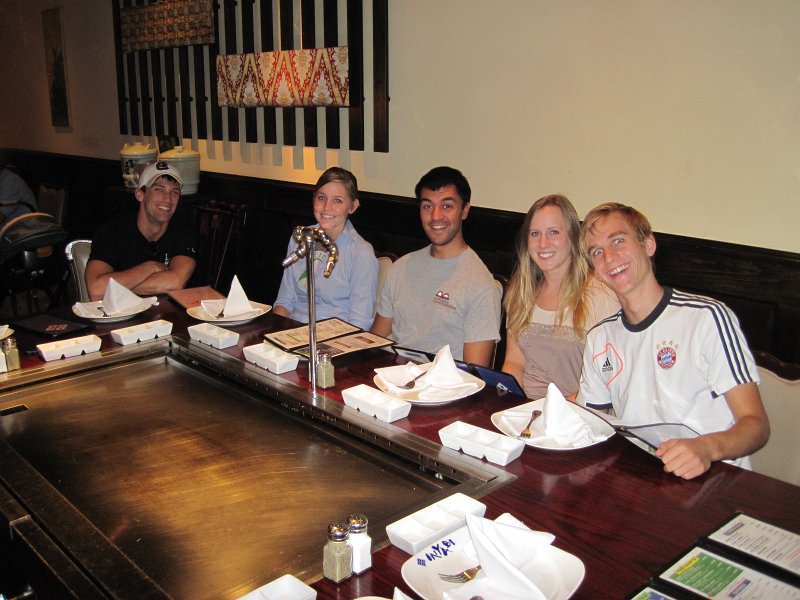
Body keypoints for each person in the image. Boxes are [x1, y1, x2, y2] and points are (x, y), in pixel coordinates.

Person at [577, 202, 769, 479]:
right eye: (597, 252)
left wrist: (706, 448)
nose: (609, 257)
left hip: (714, 477)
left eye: (618, 241)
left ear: (648, 244)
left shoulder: (706, 319)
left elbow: (757, 425)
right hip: (640, 479)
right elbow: (592, 424)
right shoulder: (599, 337)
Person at [371, 166, 501, 366]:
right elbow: (375, 342)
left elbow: (474, 374)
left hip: (442, 389)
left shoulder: (480, 284)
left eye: (447, 206)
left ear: (464, 211)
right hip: (390, 377)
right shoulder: (402, 267)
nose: (436, 217)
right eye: (427, 206)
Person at [501, 195, 618, 400]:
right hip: (524, 415)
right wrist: (507, 406)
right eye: (535, 234)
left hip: (575, 417)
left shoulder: (601, 297)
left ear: (573, 237)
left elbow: (608, 380)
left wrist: (551, 414)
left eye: (553, 232)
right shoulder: (520, 293)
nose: (543, 243)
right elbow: (514, 363)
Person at [273, 167, 378, 330]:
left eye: (337, 200)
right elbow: (285, 301)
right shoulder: (299, 238)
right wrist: (274, 333)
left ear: (353, 206)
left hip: (334, 340)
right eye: (321, 197)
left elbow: (360, 323)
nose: (327, 207)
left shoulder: (361, 253)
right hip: (292, 333)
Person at [85, 161, 197, 300]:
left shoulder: (184, 231)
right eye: (159, 189)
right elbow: (96, 290)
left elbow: (175, 282)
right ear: (139, 194)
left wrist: (117, 286)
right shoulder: (111, 232)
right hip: (122, 317)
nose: (167, 199)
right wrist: (151, 267)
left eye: (174, 192)